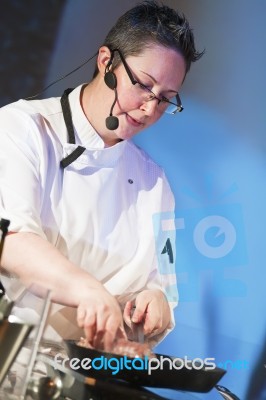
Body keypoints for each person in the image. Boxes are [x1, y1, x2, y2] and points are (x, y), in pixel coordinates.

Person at [0, 0, 203, 351]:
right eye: (142, 84)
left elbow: (166, 285)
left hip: (86, 370)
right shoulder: (22, 128)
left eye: (166, 99)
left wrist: (157, 305)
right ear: (106, 61)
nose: (150, 108)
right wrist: (88, 290)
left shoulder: (156, 183)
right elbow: (13, 242)